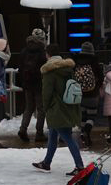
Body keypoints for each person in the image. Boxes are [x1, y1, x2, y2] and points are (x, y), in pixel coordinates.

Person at [31, 44, 85, 176]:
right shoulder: (67, 68)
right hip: (68, 105)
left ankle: (79, 166)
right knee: (53, 136)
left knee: (67, 136)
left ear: (47, 54)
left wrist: (45, 107)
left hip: (56, 109)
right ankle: (46, 163)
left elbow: (46, 93)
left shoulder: (50, 70)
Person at [17, 28, 48, 142]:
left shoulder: (24, 51)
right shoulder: (42, 52)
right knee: (41, 109)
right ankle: (39, 133)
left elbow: (20, 68)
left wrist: (23, 82)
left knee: (29, 108)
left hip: (27, 84)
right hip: (39, 84)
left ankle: (23, 129)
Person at [74, 40, 104, 147]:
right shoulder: (95, 62)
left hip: (80, 94)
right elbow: (101, 78)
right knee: (91, 116)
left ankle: (83, 133)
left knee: (83, 116)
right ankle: (87, 132)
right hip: (92, 94)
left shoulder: (76, 61)